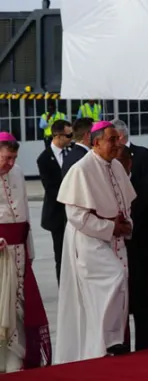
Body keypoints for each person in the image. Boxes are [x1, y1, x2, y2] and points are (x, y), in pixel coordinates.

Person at [55, 121, 137, 363]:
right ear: (96, 141)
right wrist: (111, 227)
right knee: (111, 281)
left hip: (115, 240)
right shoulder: (81, 169)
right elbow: (76, 216)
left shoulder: (117, 167)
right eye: (111, 140)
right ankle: (101, 344)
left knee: (119, 284)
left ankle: (113, 342)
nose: (117, 144)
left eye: (117, 139)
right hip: (89, 241)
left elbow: (126, 204)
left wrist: (126, 225)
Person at [0, 132, 52, 373]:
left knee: (20, 307)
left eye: (14, 158)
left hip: (19, 252)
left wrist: (29, 250)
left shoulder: (18, 172)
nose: (10, 163)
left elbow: (25, 216)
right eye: (7, 158)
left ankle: (18, 361)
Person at [115, 143, 148, 351]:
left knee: (143, 312)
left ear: (129, 164)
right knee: (117, 312)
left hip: (141, 260)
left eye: (120, 164)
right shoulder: (104, 190)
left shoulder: (145, 190)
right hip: (113, 260)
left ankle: (146, 353)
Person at [36, 119, 72, 284]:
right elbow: (50, 188)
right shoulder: (44, 158)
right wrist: (71, 198)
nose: (71, 138)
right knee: (61, 254)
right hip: (57, 214)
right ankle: (63, 287)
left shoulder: (72, 153)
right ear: (58, 136)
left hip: (74, 213)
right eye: (68, 135)